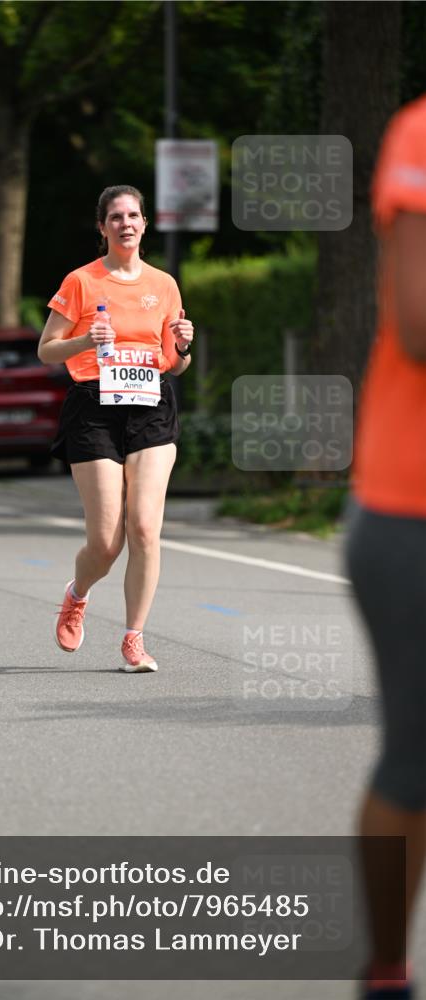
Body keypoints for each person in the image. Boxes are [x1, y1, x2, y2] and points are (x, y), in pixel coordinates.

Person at [38, 185, 194, 673]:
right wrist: (86, 339)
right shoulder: (82, 281)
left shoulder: (164, 284)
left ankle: (134, 639)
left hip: (152, 406)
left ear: (145, 224)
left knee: (145, 527)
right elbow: (46, 349)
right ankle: (77, 593)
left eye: (133, 215)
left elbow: (173, 363)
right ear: (103, 227)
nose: (126, 223)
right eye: (116, 217)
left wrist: (183, 348)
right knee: (107, 542)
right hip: (94, 408)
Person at [345, 95, 426, 1000]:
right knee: (415, 761)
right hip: (412, 512)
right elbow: (417, 318)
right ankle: (387, 975)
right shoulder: (419, 134)